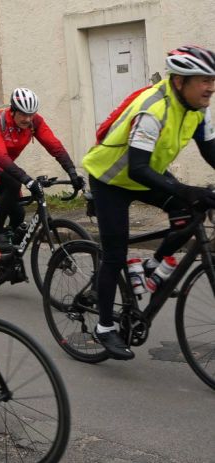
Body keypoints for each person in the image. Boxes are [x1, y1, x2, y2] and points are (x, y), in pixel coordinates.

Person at [82, 44, 215, 360]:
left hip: (145, 174)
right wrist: (186, 189)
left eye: (213, 80)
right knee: (114, 254)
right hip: (111, 180)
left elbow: (211, 152)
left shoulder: (197, 108)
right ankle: (104, 328)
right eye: (204, 80)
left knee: (189, 214)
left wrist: (189, 194)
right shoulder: (153, 109)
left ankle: (152, 267)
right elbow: (137, 167)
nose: (210, 87)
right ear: (180, 81)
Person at [0, 87, 85, 247]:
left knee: (19, 214)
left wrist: (72, 172)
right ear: (13, 111)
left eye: (31, 114)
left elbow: (55, 147)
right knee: (14, 183)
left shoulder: (35, 122)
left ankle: (9, 252)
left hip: (4, 165)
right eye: (23, 114)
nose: (27, 119)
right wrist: (27, 180)